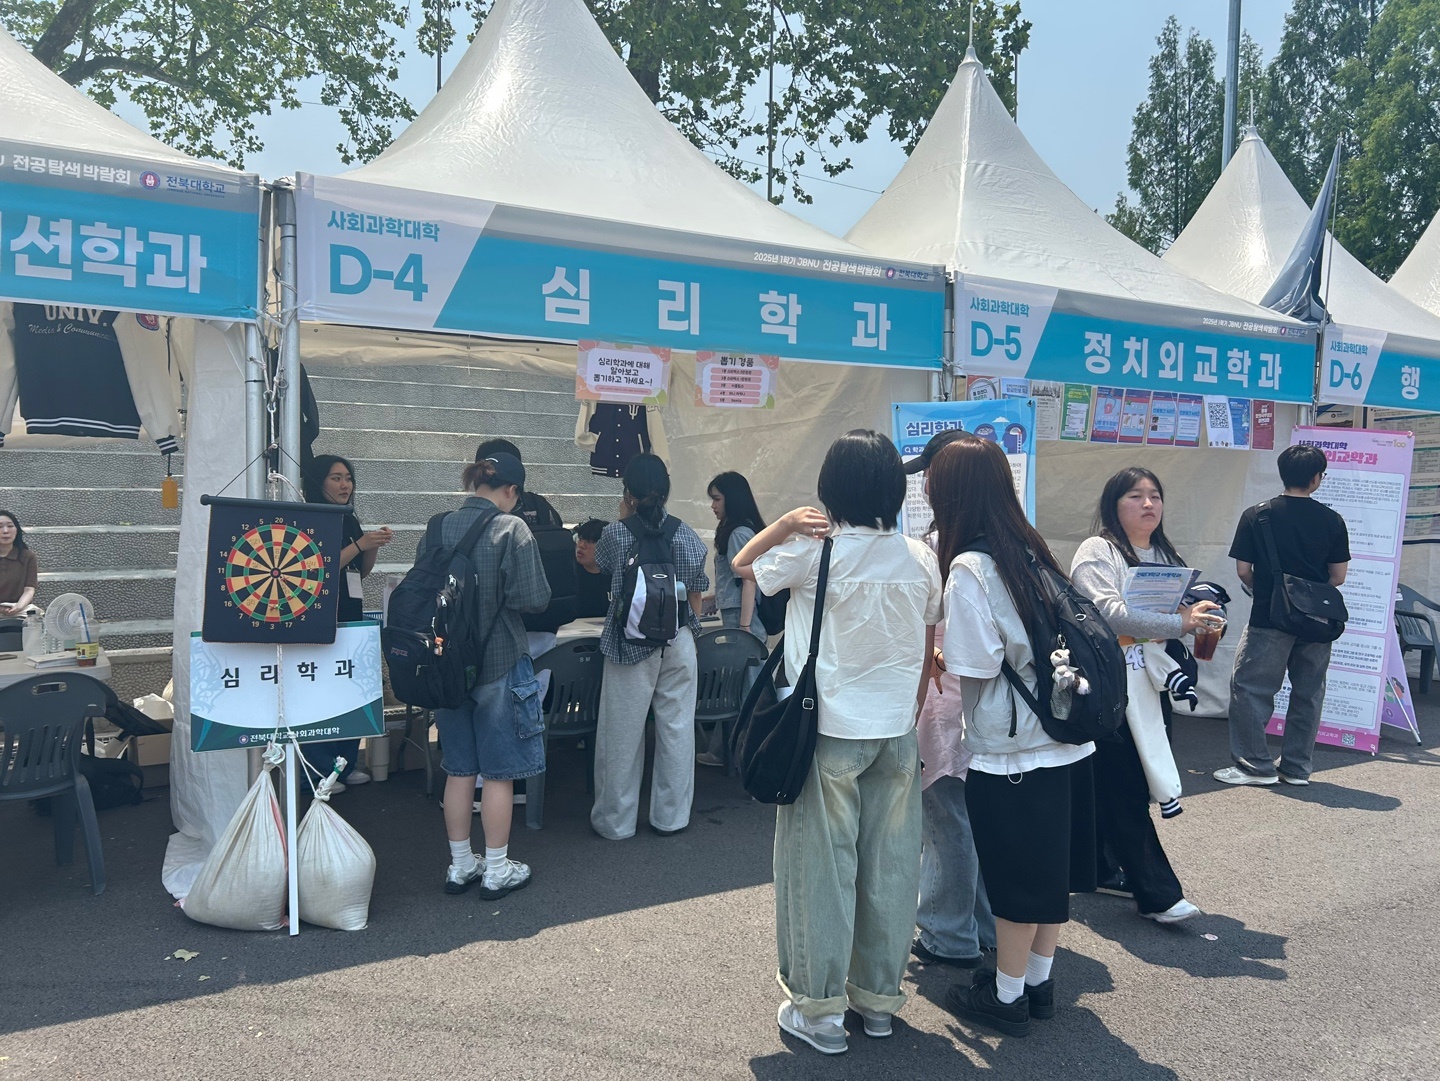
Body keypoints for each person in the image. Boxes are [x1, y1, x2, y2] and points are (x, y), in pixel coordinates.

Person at [734, 430, 943, 1056]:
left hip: (826, 734)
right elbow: (925, 643)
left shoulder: (812, 550)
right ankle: (877, 1001)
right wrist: (908, 711)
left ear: (832, 489)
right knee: (891, 869)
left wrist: (781, 524)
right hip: (896, 734)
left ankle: (819, 1011)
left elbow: (743, 566)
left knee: (819, 872)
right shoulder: (920, 557)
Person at [928, 437, 1094, 1038]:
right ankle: (1037, 985)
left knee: (1014, 879)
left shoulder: (970, 568)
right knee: (1049, 874)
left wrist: (940, 656)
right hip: (1065, 733)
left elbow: (975, 663)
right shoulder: (1031, 549)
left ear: (949, 494)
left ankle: (1005, 998)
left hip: (1012, 747)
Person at [1070, 468, 1219, 924]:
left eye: (1155, 495)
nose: (1148, 504)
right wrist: (1179, 623)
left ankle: (1098, 868)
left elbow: (1183, 611)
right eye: (1135, 496)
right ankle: (1158, 894)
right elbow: (1109, 614)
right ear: (1113, 505)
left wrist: (1200, 615)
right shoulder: (1097, 551)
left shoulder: (1165, 554)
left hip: (1151, 688)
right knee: (1127, 786)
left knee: (1115, 782)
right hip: (1111, 687)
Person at [423, 452, 551, 899]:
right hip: (499, 660)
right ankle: (497, 870)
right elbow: (534, 598)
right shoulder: (512, 528)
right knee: (499, 772)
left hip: (447, 667)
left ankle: (461, 865)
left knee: (459, 768)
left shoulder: (437, 526)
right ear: (511, 490)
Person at [906, 431, 996, 969]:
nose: (923, 485)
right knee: (972, 819)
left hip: (944, 698)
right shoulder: (1008, 544)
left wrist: (931, 657)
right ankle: (982, 926)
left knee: (946, 822)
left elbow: (941, 639)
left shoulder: (946, 549)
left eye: (930, 475)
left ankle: (948, 933)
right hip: (988, 707)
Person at [1215, 445, 1350, 787]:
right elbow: (1338, 576)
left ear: (1282, 474)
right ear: (1317, 478)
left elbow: (1243, 570)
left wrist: (1270, 591)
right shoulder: (1333, 520)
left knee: (1251, 689)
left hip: (1269, 615)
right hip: (1318, 620)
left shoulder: (1257, 515)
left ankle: (1255, 766)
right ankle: (1296, 768)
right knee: (1309, 693)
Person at [591, 453, 709, 840]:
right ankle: (671, 818)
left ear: (628, 492)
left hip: (629, 644)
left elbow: (599, 567)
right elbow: (697, 591)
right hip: (679, 640)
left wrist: (624, 512)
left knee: (621, 735)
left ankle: (616, 822)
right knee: (677, 731)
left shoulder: (615, 534)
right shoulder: (687, 534)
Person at [301, 455, 393, 790]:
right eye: (336, 478)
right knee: (322, 694)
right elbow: (317, 569)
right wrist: (359, 544)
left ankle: (345, 763)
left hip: (351, 616)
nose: (345, 485)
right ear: (318, 482)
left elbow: (359, 573)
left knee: (349, 691)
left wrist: (372, 547)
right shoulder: (310, 518)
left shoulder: (348, 518)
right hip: (322, 618)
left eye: (348, 478)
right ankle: (317, 769)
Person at [0, 509, 38, 617]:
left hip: (18, 610)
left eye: (10, 526)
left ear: (17, 530)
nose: (5, 531)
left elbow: (29, 589)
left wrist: (18, 607)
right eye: (0, 527)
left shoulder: (28, 557)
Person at [573, 518, 611, 618]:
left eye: (589, 542)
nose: (581, 545)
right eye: (580, 539)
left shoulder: (617, 576)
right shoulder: (569, 573)